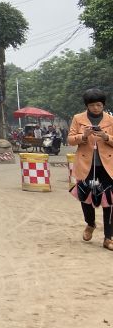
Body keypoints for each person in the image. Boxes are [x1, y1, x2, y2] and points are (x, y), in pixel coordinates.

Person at [68, 88, 113, 251]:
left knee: (109, 201)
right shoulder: (78, 118)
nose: (96, 108)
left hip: (108, 166)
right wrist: (84, 136)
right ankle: (90, 224)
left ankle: (108, 237)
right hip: (86, 165)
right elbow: (70, 140)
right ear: (87, 105)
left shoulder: (110, 119)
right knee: (85, 197)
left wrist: (106, 137)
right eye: (92, 105)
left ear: (103, 105)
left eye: (99, 105)